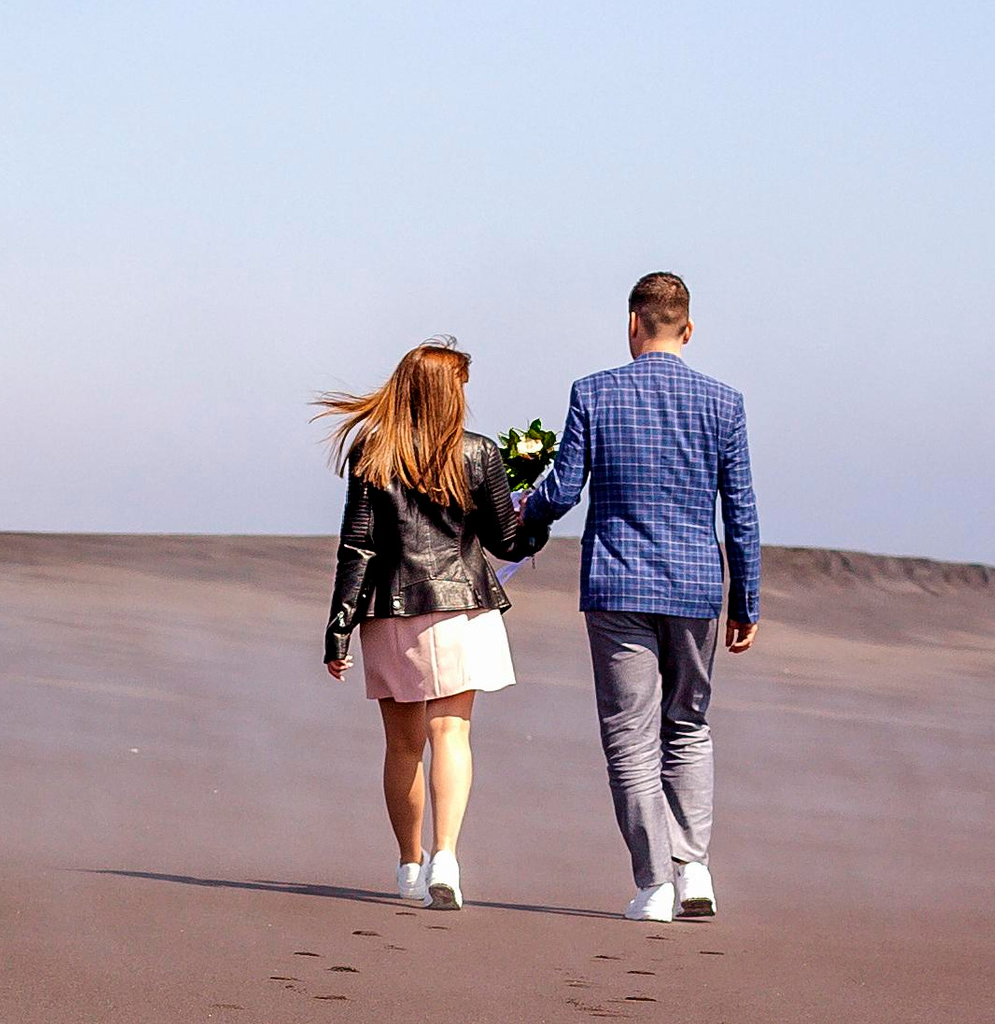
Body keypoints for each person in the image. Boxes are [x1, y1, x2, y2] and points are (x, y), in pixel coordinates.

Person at [516, 273, 759, 922]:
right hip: (697, 588)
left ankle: (655, 882)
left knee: (630, 735)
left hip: (618, 583)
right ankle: (695, 867)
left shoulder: (594, 392)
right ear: (688, 327)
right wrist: (748, 601)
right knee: (690, 725)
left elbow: (563, 490)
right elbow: (740, 512)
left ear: (632, 324)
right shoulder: (724, 403)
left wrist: (517, 514)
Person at [319, 340, 543, 912]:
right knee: (452, 734)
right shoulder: (479, 454)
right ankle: (447, 856)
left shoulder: (374, 453)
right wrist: (536, 516)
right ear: (450, 392)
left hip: (390, 611)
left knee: (401, 746)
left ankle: (409, 864)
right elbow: (506, 542)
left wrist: (338, 628)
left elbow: (357, 547)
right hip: (461, 607)